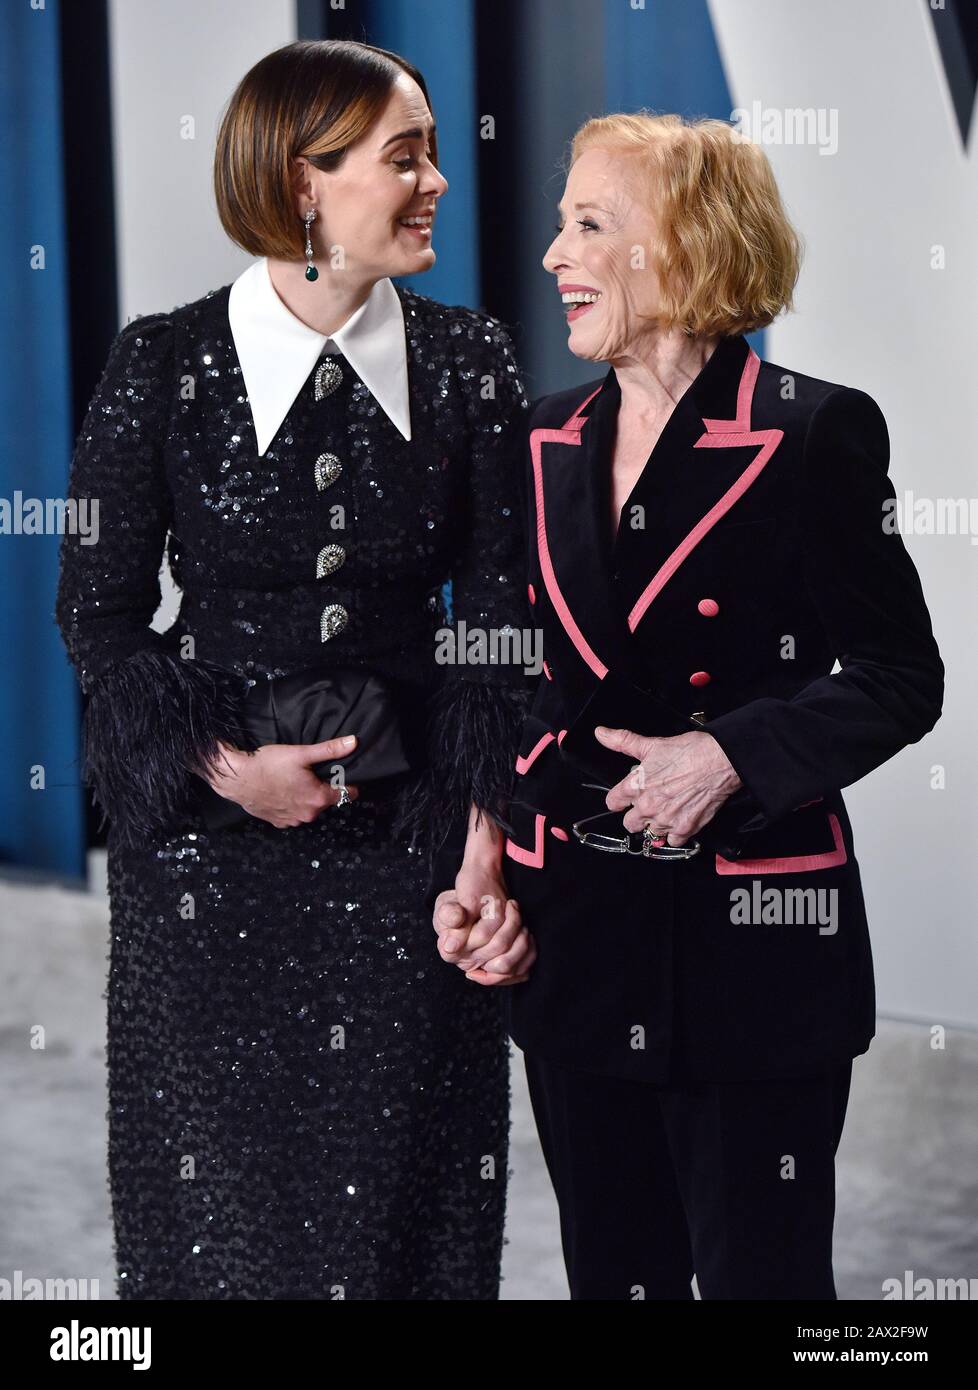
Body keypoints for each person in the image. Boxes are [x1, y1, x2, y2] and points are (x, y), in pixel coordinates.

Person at [434, 112, 944, 1299]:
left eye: (592, 225)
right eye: (562, 223)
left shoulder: (817, 430)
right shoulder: (538, 437)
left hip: (754, 954)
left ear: (686, 249)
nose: (555, 253)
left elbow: (899, 673)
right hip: (574, 939)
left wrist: (727, 756)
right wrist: (480, 863)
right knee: (615, 1278)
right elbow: (497, 676)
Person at [56, 38, 534, 1301]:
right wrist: (225, 771)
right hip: (207, 888)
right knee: (215, 1242)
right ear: (303, 180)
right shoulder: (156, 366)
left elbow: (502, 626)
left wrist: (484, 856)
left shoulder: (472, 360)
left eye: (432, 148)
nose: (437, 179)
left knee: (415, 1233)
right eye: (405, 154)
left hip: (414, 874)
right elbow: (98, 620)